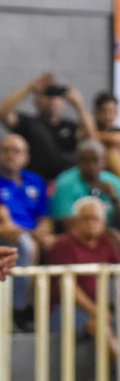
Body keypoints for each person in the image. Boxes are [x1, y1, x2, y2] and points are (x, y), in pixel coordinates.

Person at [0, 73, 98, 182]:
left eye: (58, 96)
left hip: (64, 185)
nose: (53, 100)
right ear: (36, 101)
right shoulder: (28, 123)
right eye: (48, 95)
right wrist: (29, 89)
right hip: (36, 183)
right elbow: (3, 112)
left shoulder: (70, 126)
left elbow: (92, 137)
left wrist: (78, 104)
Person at [0, 133, 54, 325]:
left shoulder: (36, 181)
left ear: (26, 157)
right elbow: (4, 223)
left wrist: (44, 234)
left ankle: (48, 310)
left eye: (16, 151)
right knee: (24, 244)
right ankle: (18, 310)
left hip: (32, 234)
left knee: (59, 245)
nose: (10, 154)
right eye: (5, 150)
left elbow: (45, 218)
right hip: (8, 235)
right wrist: (35, 235)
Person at [47, 197, 120, 334]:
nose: (91, 223)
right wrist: (96, 312)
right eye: (86, 218)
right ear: (76, 221)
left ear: (104, 222)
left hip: (101, 308)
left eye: (95, 219)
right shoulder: (64, 244)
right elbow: (67, 285)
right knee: (100, 327)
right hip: (67, 309)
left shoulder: (106, 243)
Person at [50, 139, 120, 234]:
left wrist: (115, 200)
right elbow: (67, 223)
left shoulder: (114, 182)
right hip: (77, 238)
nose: (91, 166)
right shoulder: (65, 182)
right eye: (85, 161)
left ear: (104, 162)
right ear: (78, 161)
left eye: (96, 160)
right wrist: (108, 235)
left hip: (113, 238)